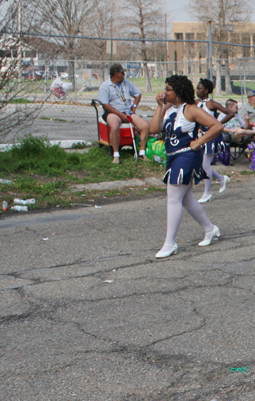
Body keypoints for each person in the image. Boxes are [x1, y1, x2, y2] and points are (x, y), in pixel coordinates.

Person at [149, 75, 224, 259]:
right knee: (186, 198)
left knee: (173, 197)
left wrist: (199, 141)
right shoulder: (168, 109)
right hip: (172, 156)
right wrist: (160, 106)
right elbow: (153, 129)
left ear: (179, 91)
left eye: (168, 89)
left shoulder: (191, 109)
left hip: (187, 156)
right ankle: (210, 228)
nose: (164, 92)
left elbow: (216, 126)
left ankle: (170, 243)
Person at [97, 63, 150, 163]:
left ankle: (141, 153)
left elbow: (138, 94)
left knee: (145, 126)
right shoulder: (105, 86)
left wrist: (134, 107)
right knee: (115, 126)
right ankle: (116, 154)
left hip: (127, 111)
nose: (124, 75)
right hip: (112, 112)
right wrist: (120, 115)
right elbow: (106, 105)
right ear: (115, 74)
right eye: (122, 73)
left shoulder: (126, 83)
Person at [195, 79, 234, 203]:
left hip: (212, 135)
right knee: (202, 165)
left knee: (205, 165)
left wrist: (217, 124)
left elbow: (230, 113)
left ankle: (207, 193)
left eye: (199, 88)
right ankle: (221, 178)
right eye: (196, 88)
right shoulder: (196, 103)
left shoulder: (211, 104)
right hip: (202, 135)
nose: (197, 91)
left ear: (206, 90)